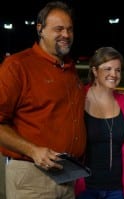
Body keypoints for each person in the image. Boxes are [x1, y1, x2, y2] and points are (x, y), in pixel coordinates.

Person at [0, 1, 86, 199]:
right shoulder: (17, 66)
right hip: (33, 175)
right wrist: (32, 150)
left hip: (67, 177)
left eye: (69, 29)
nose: (66, 35)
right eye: (59, 29)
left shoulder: (69, 69)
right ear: (40, 29)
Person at [76, 47, 124, 199]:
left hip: (116, 189)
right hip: (85, 188)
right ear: (94, 71)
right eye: (107, 69)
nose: (113, 74)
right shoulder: (79, 98)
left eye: (118, 70)